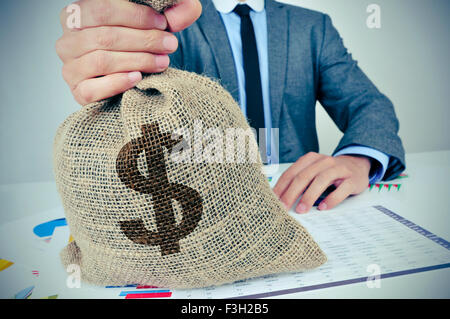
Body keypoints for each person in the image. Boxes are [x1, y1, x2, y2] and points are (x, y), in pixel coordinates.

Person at [56, 0, 405, 214]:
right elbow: (140, 112)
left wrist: (360, 160)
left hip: (297, 202)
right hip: (197, 203)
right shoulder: (168, 22)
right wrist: (111, 69)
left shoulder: (312, 27)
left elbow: (368, 104)